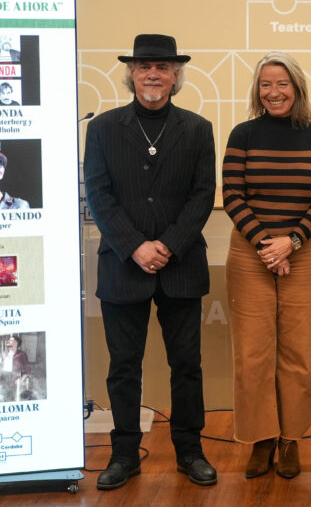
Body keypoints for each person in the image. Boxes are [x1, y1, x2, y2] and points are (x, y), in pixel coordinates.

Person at [83, 33, 218, 489]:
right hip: (123, 264)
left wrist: (170, 245)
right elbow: (99, 195)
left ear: (176, 75)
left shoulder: (198, 129)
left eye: (162, 67)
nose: (153, 74)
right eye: (145, 67)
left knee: (187, 365)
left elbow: (202, 196)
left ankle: (190, 451)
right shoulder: (101, 128)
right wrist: (135, 246)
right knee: (123, 366)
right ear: (132, 75)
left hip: (181, 266)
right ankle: (124, 455)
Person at [223, 52, 311, 480]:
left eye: (283, 84)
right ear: (258, 90)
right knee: (252, 355)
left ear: (298, 88)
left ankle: (290, 439)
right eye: (266, 84)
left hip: (302, 251)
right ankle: (261, 439)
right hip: (250, 253)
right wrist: (266, 245)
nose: (275, 92)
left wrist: (290, 242)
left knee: (298, 353)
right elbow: (232, 193)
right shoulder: (243, 134)